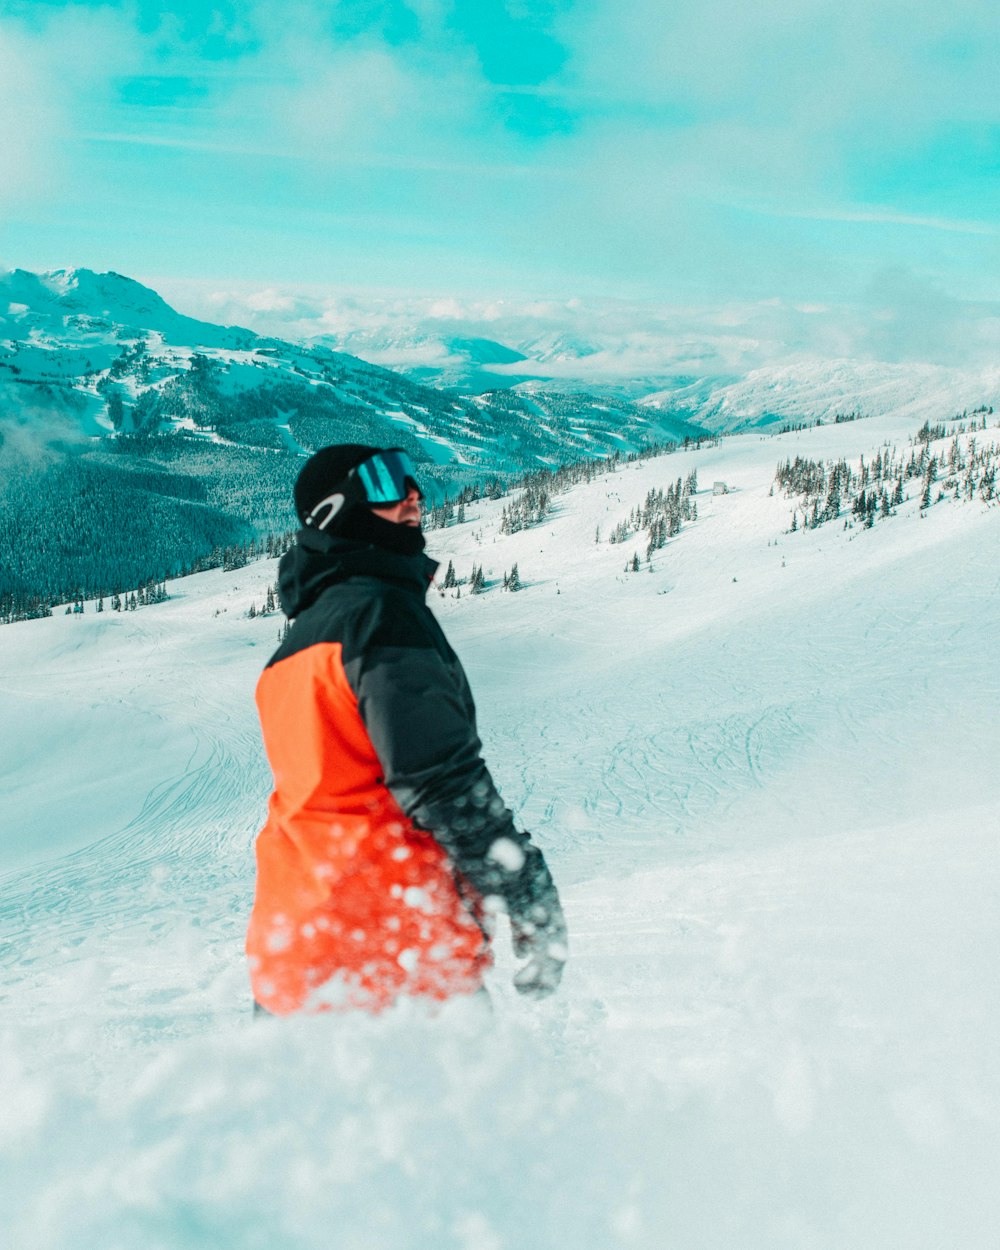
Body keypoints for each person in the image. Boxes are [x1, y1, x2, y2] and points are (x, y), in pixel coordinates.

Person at [246, 444, 567, 1015]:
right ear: (333, 510)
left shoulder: (292, 648)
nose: (413, 491)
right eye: (385, 479)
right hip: (392, 960)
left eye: (411, 478)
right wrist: (527, 892)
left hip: (292, 957)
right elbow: (438, 781)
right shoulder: (380, 616)